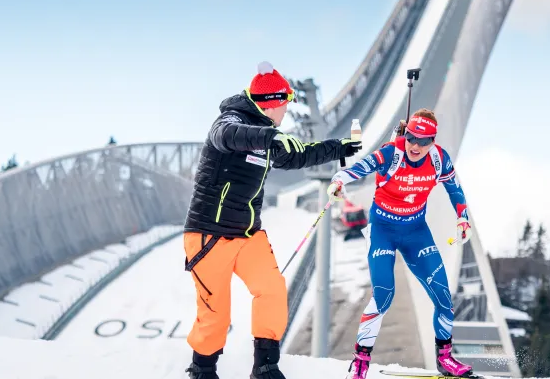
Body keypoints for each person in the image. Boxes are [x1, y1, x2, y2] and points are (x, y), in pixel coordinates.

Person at [182, 61, 362, 379]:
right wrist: (269, 137)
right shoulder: (232, 120)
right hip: (210, 234)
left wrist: (337, 149)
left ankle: (265, 366)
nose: (287, 111)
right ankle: (202, 370)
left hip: (247, 234)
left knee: (272, 291)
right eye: (285, 103)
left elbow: (296, 155)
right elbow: (225, 135)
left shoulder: (266, 135)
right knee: (215, 312)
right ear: (272, 103)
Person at [326, 109, 475, 379]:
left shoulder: (439, 159)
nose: (415, 146)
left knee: (443, 297)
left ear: (433, 141)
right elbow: (359, 168)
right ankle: (360, 361)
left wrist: (462, 218)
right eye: (411, 138)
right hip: (383, 230)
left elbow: (454, 188)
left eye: (423, 141)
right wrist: (338, 181)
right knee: (383, 295)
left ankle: (445, 358)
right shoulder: (391, 154)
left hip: (416, 232)